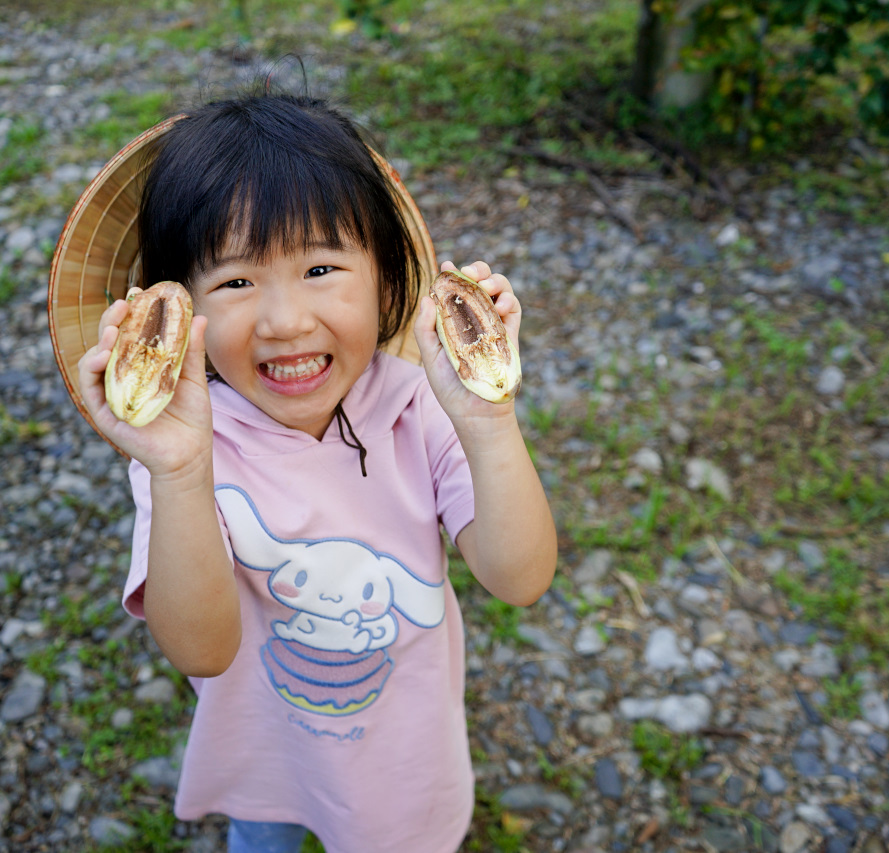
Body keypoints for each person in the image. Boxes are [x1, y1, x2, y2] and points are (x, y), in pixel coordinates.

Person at [75, 92, 557, 853]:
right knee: (262, 833)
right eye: (235, 282)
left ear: (386, 282)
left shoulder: (415, 409)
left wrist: (486, 418)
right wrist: (175, 469)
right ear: (177, 308)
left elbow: (520, 575)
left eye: (321, 267)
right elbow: (201, 649)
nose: (285, 320)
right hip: (264, 746)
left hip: (399, 751)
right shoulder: (186, 450)